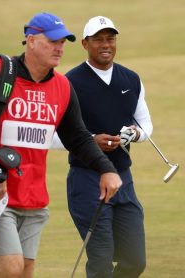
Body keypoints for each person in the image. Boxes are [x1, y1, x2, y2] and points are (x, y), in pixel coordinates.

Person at [0, 12, 122, 278]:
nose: (60, 48)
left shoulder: (62, 86)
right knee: (11, 269)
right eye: (53, 41)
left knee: (25, 272)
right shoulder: (0, 72)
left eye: (63, 42)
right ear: (31, 40)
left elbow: (78, 136)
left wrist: (106, 169)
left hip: (35, 197)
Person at [63, 16, 153, 277]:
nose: (106, 44)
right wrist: (91, 140)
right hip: (87, 180)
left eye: (110, 38)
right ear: (84, 43)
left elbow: (146, 126)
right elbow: (53, 135)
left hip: (124, 180)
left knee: (135, 261)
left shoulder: (131, 79)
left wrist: (134, 135)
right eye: (98, 39)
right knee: (101, 261)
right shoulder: (69, 83)